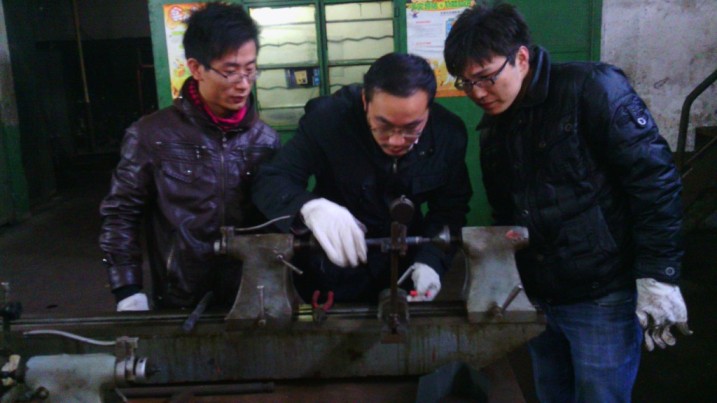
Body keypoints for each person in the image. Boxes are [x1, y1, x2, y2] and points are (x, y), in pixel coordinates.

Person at [444, 4, 691, 402]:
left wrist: (659, 274)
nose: (477, 93)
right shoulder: (494, 126)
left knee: (599, 395)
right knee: (550, 392)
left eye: (486, 77)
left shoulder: (591, 88)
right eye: (466, 83)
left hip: (602, 295)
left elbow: (655, 182)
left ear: (521, 58)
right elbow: (507, 211)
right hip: (539, 296)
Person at [99, 2, 280, 311]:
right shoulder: (150, 135)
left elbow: (274, 221)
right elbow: (120, 214)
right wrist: (127, 288)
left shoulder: (265, 140)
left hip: (248, 296)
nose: (243, 84)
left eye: (250, 71)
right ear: (196, 68)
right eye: (230, 72)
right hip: (179, 297)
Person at [252, 53, 472, 304]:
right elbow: (272, 178)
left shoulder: (447, 134)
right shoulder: (329, 120)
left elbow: (450, 209)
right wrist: (309, 207)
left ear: (428, 110)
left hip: (405, 270)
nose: (396, 140)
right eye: (383, 125)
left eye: (412, 128)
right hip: (332, 269)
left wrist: (431, 260)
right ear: (365, 101)